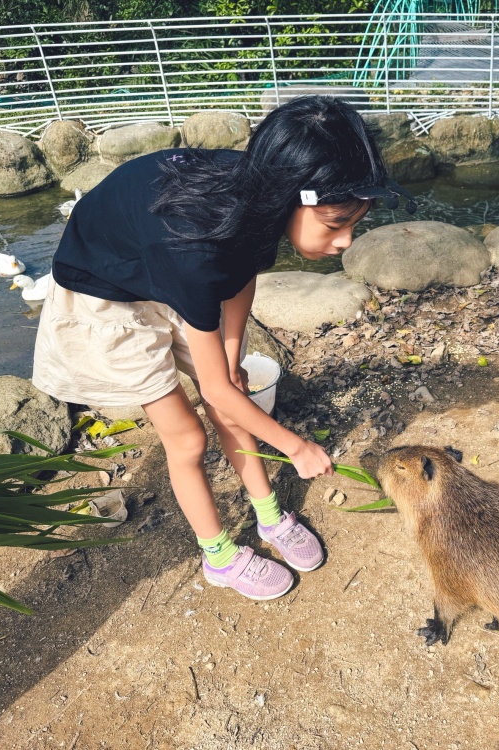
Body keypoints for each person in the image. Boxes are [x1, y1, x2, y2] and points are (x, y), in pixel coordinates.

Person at [32, 96, 416, 601]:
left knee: (234, 398)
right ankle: (218, 556)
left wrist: (231, 361)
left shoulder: (262, 196)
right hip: (108, 295)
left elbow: (241, 279)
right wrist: (295, 448)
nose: (345, 241)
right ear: (291, 198)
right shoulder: (196, 249)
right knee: (188, 439)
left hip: (162, 265)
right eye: (333, 224)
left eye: (352, 224)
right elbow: (211, 300)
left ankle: (270, 517)